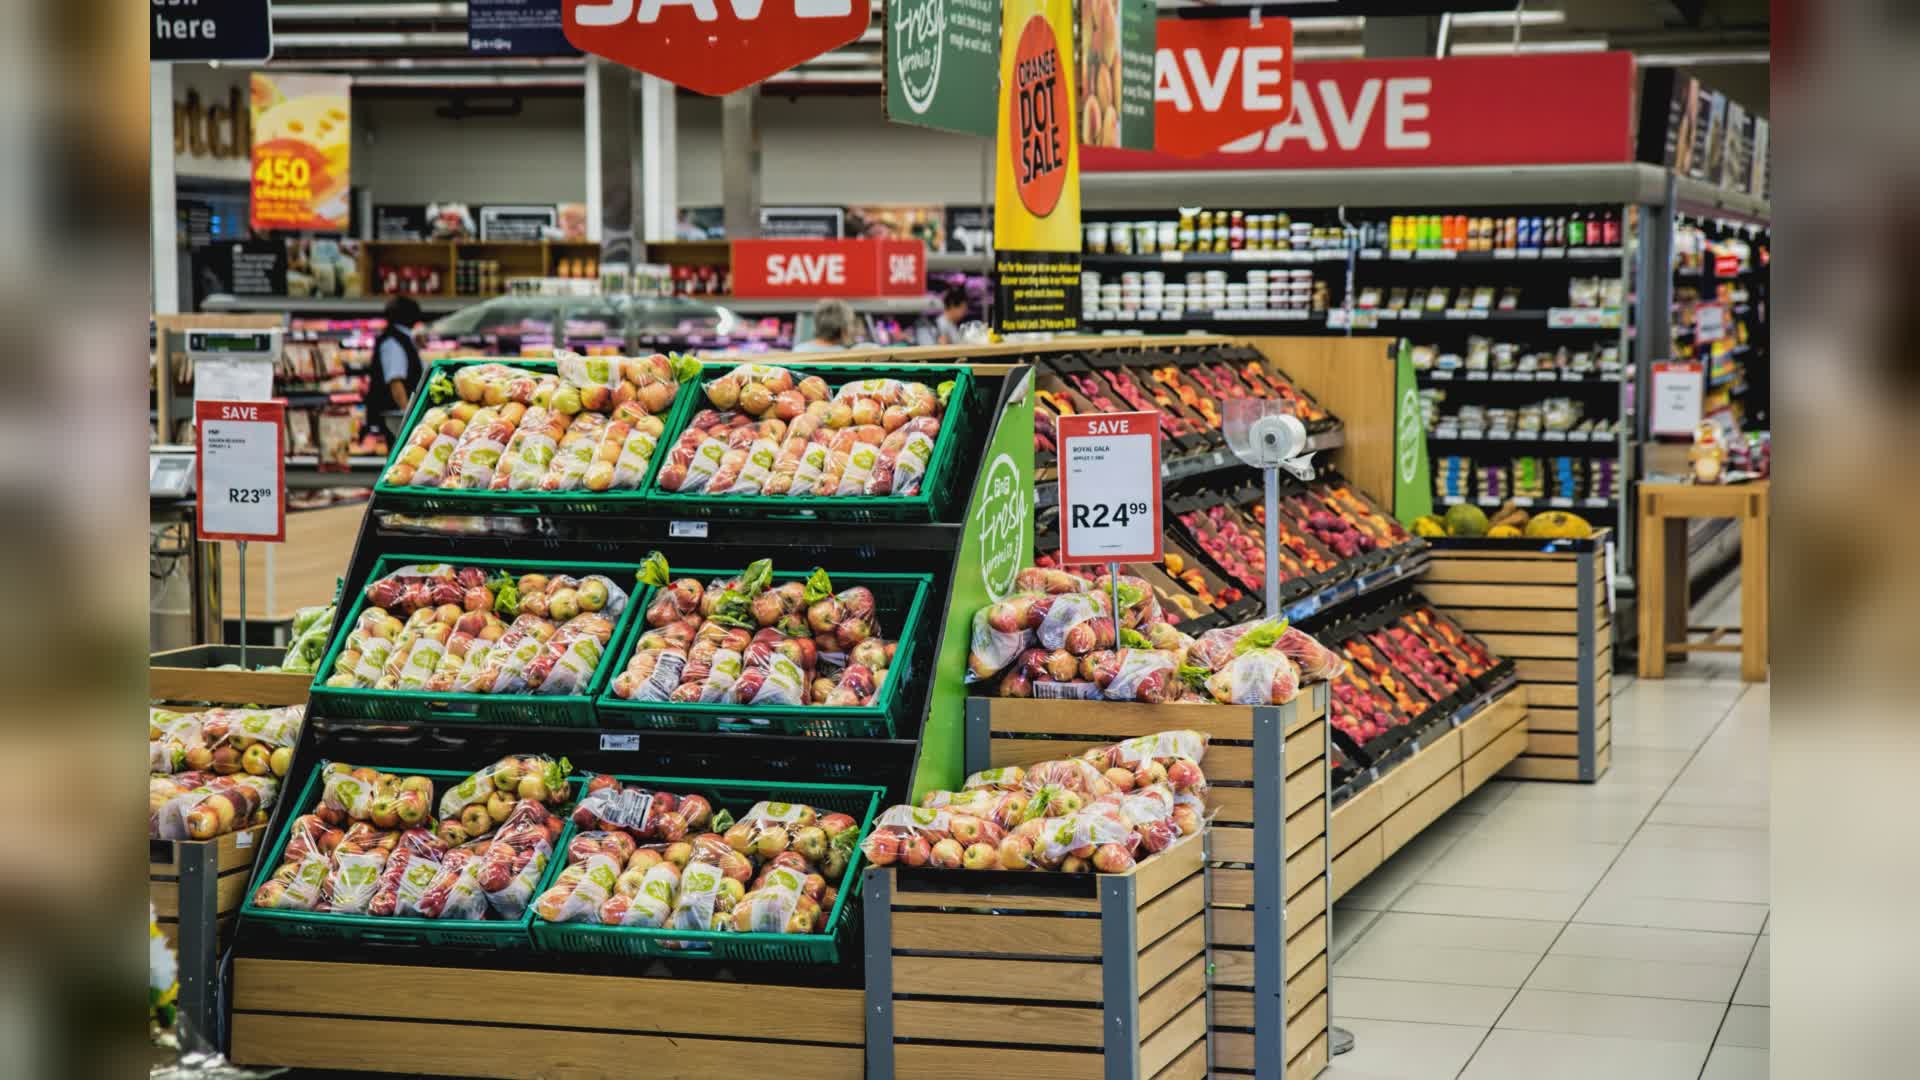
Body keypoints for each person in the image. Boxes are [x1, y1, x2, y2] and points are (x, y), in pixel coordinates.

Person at [374, 296, 426, 415]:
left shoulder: (402, 338)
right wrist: (407, 415)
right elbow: (396, 382)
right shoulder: (393, 342)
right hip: (393, 417)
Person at [792, 298, 857, 352]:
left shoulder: (798, 350)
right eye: (851, 323)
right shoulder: (846, 355)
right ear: (843, 328)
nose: (853, 329)